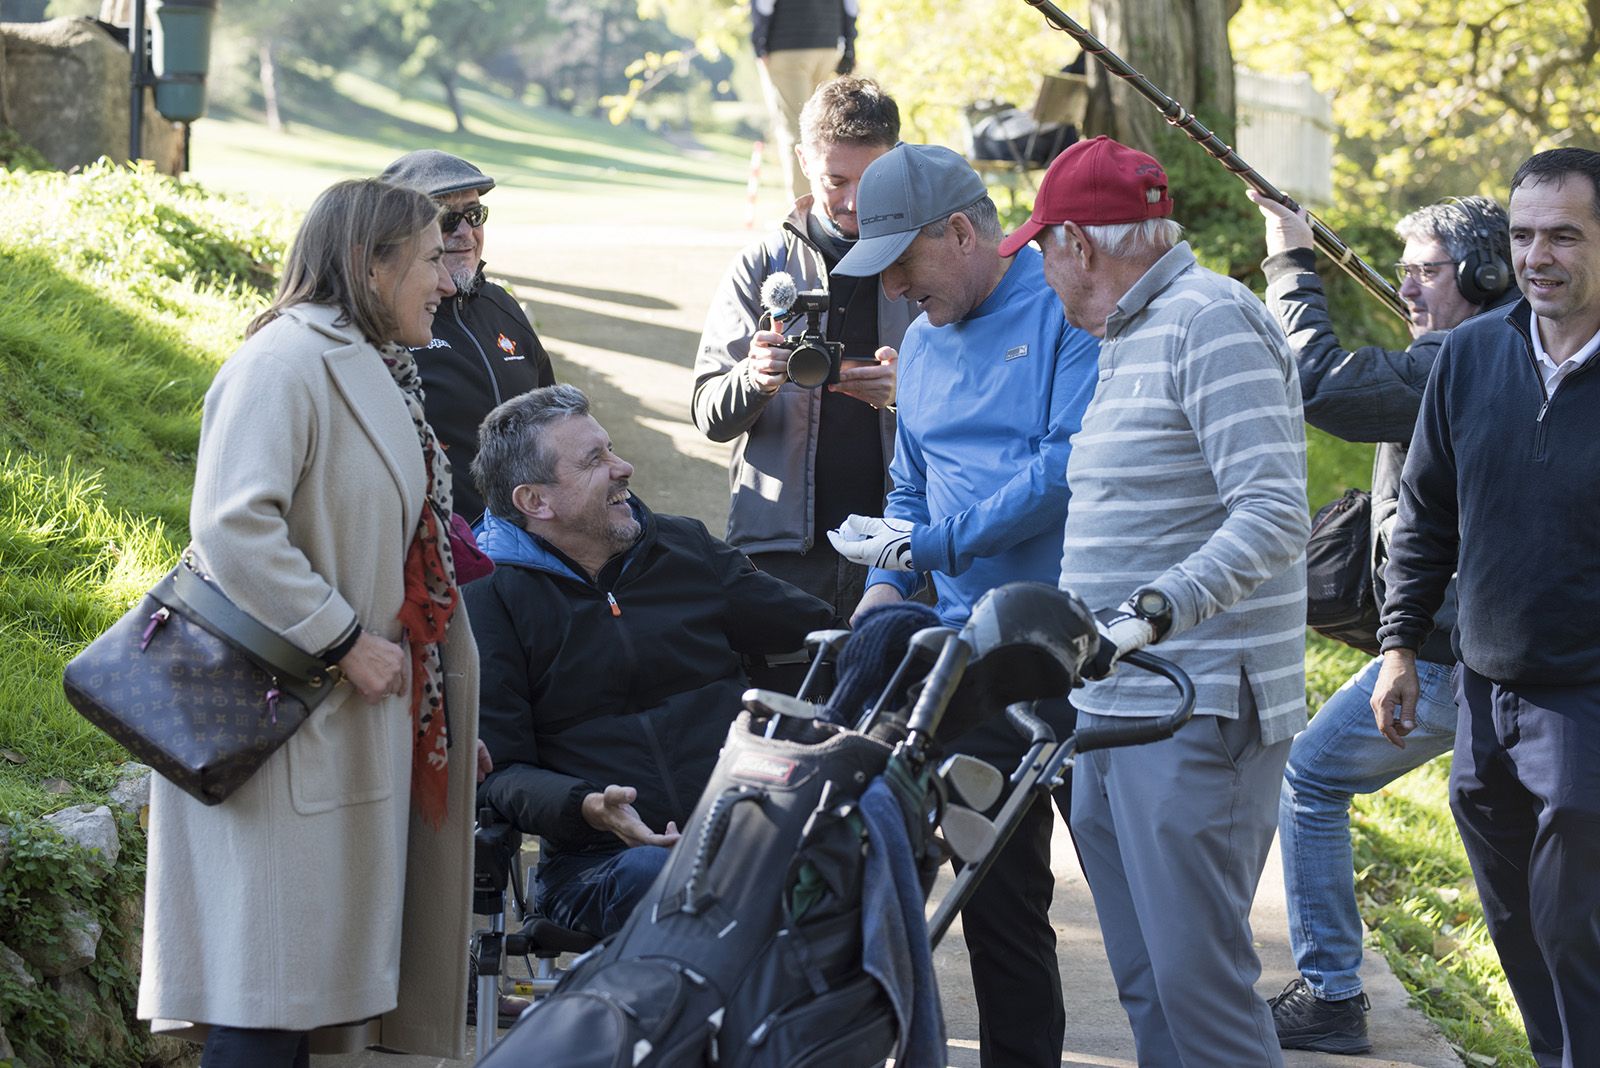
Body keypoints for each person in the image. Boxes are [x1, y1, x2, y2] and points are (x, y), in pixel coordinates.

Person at [137, 179, 485, 1067]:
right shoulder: (284, 364)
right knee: (269, 999)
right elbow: (231, 523)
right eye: (431, 261)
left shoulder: (371, 367)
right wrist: (341, 638)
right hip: (284, 723)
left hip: (335, 726)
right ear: (371, 266)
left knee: (308, 1003)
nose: (446, 283)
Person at [1006, 135, 1309, 1067]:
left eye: (1043, 251)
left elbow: (1272, 512)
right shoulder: (1132, 331)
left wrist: (1151, 611)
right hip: (1111, 713)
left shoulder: (1208, 319)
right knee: (1147, 984)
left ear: (1080, 246)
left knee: (1199, 990)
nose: (1045, 275)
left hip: (1195, 709)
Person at [827, 142, 1101, 1067]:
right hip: (974, 658)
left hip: (1084, 644)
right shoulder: (922, 343)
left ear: (961, 231)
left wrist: (931, 545)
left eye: (904, 264)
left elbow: (1065, 467)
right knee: (997, 896)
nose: (896, 289)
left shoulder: (1063, 308)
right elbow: (911, 489)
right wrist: (882, 587)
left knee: (1133, 890)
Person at [1250, 190, 1513, 1054]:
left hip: (1446, 655)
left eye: (1427, 273)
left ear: (1486, 274)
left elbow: (1315, 383)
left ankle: (1330, 994)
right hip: (1473, 647)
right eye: (1400, 272)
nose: (1407, 288)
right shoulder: (1508, 349)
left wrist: (1291, 257)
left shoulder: (1453, 363)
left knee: (1311, 780)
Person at [1373, 147, 1600, 1068]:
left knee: (1571, 918)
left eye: (1565, 236)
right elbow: (1426, 515)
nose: (1538, 256)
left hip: (1586, 701)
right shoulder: (1469, 357)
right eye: (1523, 235)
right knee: (1517, 921)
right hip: (1482, 691)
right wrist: (1396, 648)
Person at [466, 384, 836, 939]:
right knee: (663, 876)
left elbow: (822, 631)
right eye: (595, 460)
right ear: (535, 502)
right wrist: (587, 805)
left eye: (611, 448)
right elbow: (498, 775)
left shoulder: (682, 548)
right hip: (596, 864)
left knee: (852, 852)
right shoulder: (489, 595)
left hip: (744, 833)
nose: (624, 467)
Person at [693, 76, 913, 619]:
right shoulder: (760, 265)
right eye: (835, 180)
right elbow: (708, 415)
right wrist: (755, 379)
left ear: (899, 160)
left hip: (901, 545)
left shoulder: (923, 259)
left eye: (873, 179)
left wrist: (906, 392)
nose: (855, 201)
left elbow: (983, 406)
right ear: (802, 160)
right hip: (779, 550)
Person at [380, 149, 557, 524]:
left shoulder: (502, 308)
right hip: (432, 549)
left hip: (527, 542)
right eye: (446, 219)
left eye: (474, 215)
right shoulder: (382, 325)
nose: (465, 232)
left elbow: (553, 420)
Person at [751, 0, 859, 203]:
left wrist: (759, 42)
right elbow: (851, 5)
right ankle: (831, 201)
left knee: (796, 131)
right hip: (828, 46)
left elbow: (764, 5)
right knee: (822, 128)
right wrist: (850, 45)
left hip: (787, 47)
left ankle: (804, 210)